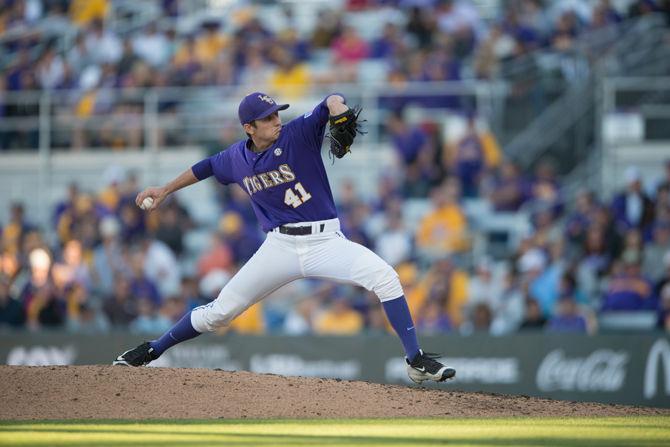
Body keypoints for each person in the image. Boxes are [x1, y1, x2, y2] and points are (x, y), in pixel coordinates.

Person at [113, 92, 455, 384]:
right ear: (249, 127)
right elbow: (205, 167)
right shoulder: (237, 158)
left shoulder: (298, 134)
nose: (276, 120)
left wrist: (337, 106)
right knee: (218, 314)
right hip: (279, 247)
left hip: (326, 242)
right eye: (267, 118)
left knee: (386, 277)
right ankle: (153, 349)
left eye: (277, 113)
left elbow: (330, 103)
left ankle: (416, 362)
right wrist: (165, 189)